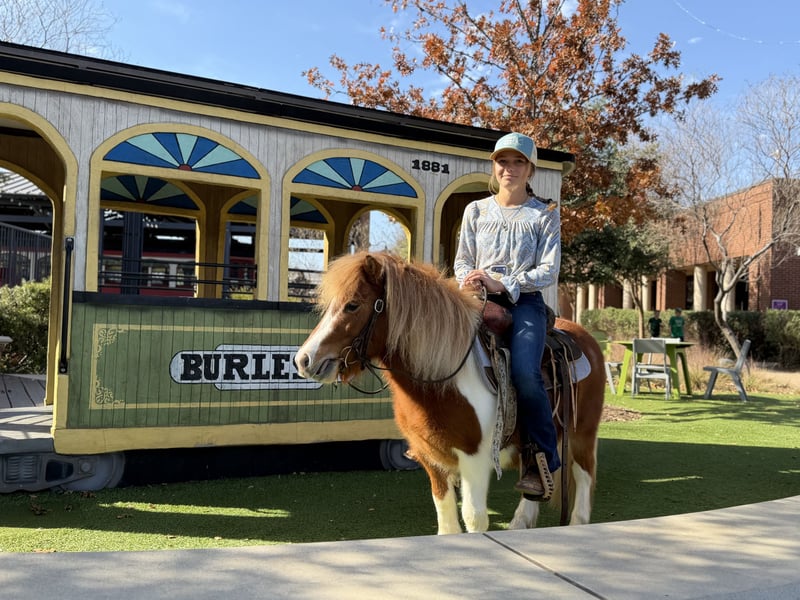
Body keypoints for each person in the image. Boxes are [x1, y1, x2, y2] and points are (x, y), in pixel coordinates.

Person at [454, 131, 560, 500]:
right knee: (438, 351)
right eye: (503, 161)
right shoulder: (476, 210)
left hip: (525, 302)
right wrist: (470, 279)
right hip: (477, 299)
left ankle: (541, 458)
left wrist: (503, 283)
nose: (509, 168)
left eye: (518, 162)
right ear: (494, 166)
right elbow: (462, 260)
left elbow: (548, 271)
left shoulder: (545, 213)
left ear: (531, 169)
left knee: (526, 374)